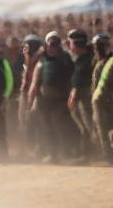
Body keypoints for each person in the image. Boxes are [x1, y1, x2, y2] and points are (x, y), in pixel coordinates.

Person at [28, 30, 78, 164]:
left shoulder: (66, 58)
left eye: (56, 44)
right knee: (47, 127)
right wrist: (31, 97)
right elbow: (35, 80)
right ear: (46, 44)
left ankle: (67, 154)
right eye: (51, 44)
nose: (53, 47)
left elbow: (73, 78)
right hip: (45, 100)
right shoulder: (42, 59)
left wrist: (72, 95)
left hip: (61, 100)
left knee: (62, 127)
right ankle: (52, 154)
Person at [67, 29, 96, 160]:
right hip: (81, 97)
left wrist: (73, 96)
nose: (69, 46)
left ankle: (99, 153)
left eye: (71, 43)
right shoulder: (83, 58)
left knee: (90, 126)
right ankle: (88, 153)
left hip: (85, 98)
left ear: (77, 44)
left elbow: (80, 81)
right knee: (84, 127)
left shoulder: (88, 59)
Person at [92, 40, 113, 166]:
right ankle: (109, 157)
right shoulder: (103, 63)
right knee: (102, 128)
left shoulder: (108, 62)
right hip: (100, 100)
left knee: (106, 128)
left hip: (106, 99)